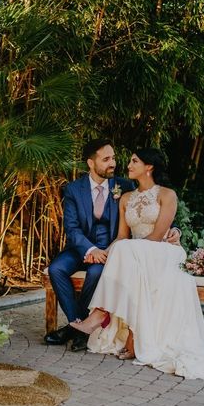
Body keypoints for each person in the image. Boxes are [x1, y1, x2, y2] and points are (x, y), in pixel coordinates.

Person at [71, 148, 204, 385]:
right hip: (134, 253)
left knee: (126, 251)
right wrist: (108, 252)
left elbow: (158, 235)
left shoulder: (167, 195)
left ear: (149, 167)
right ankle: (129, 331)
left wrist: (126, 251)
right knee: (122, 249)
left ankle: (100, 314)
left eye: (134, 161)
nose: (128, 164)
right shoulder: (126, 198)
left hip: (163, 252)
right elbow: (121, 236)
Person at [45, 140, 136, 351]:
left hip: (110, 251)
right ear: (90, 163)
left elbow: (152, 203)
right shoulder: (74, 189)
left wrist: (174, 230)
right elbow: (72, 227)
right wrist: (90, 250)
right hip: (80, 248)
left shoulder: (125, 186)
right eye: (106, 159)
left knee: (96, 273)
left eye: (113, 158)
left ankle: (74, 330)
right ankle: (78, 326)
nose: (112, 163)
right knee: (56, 269)